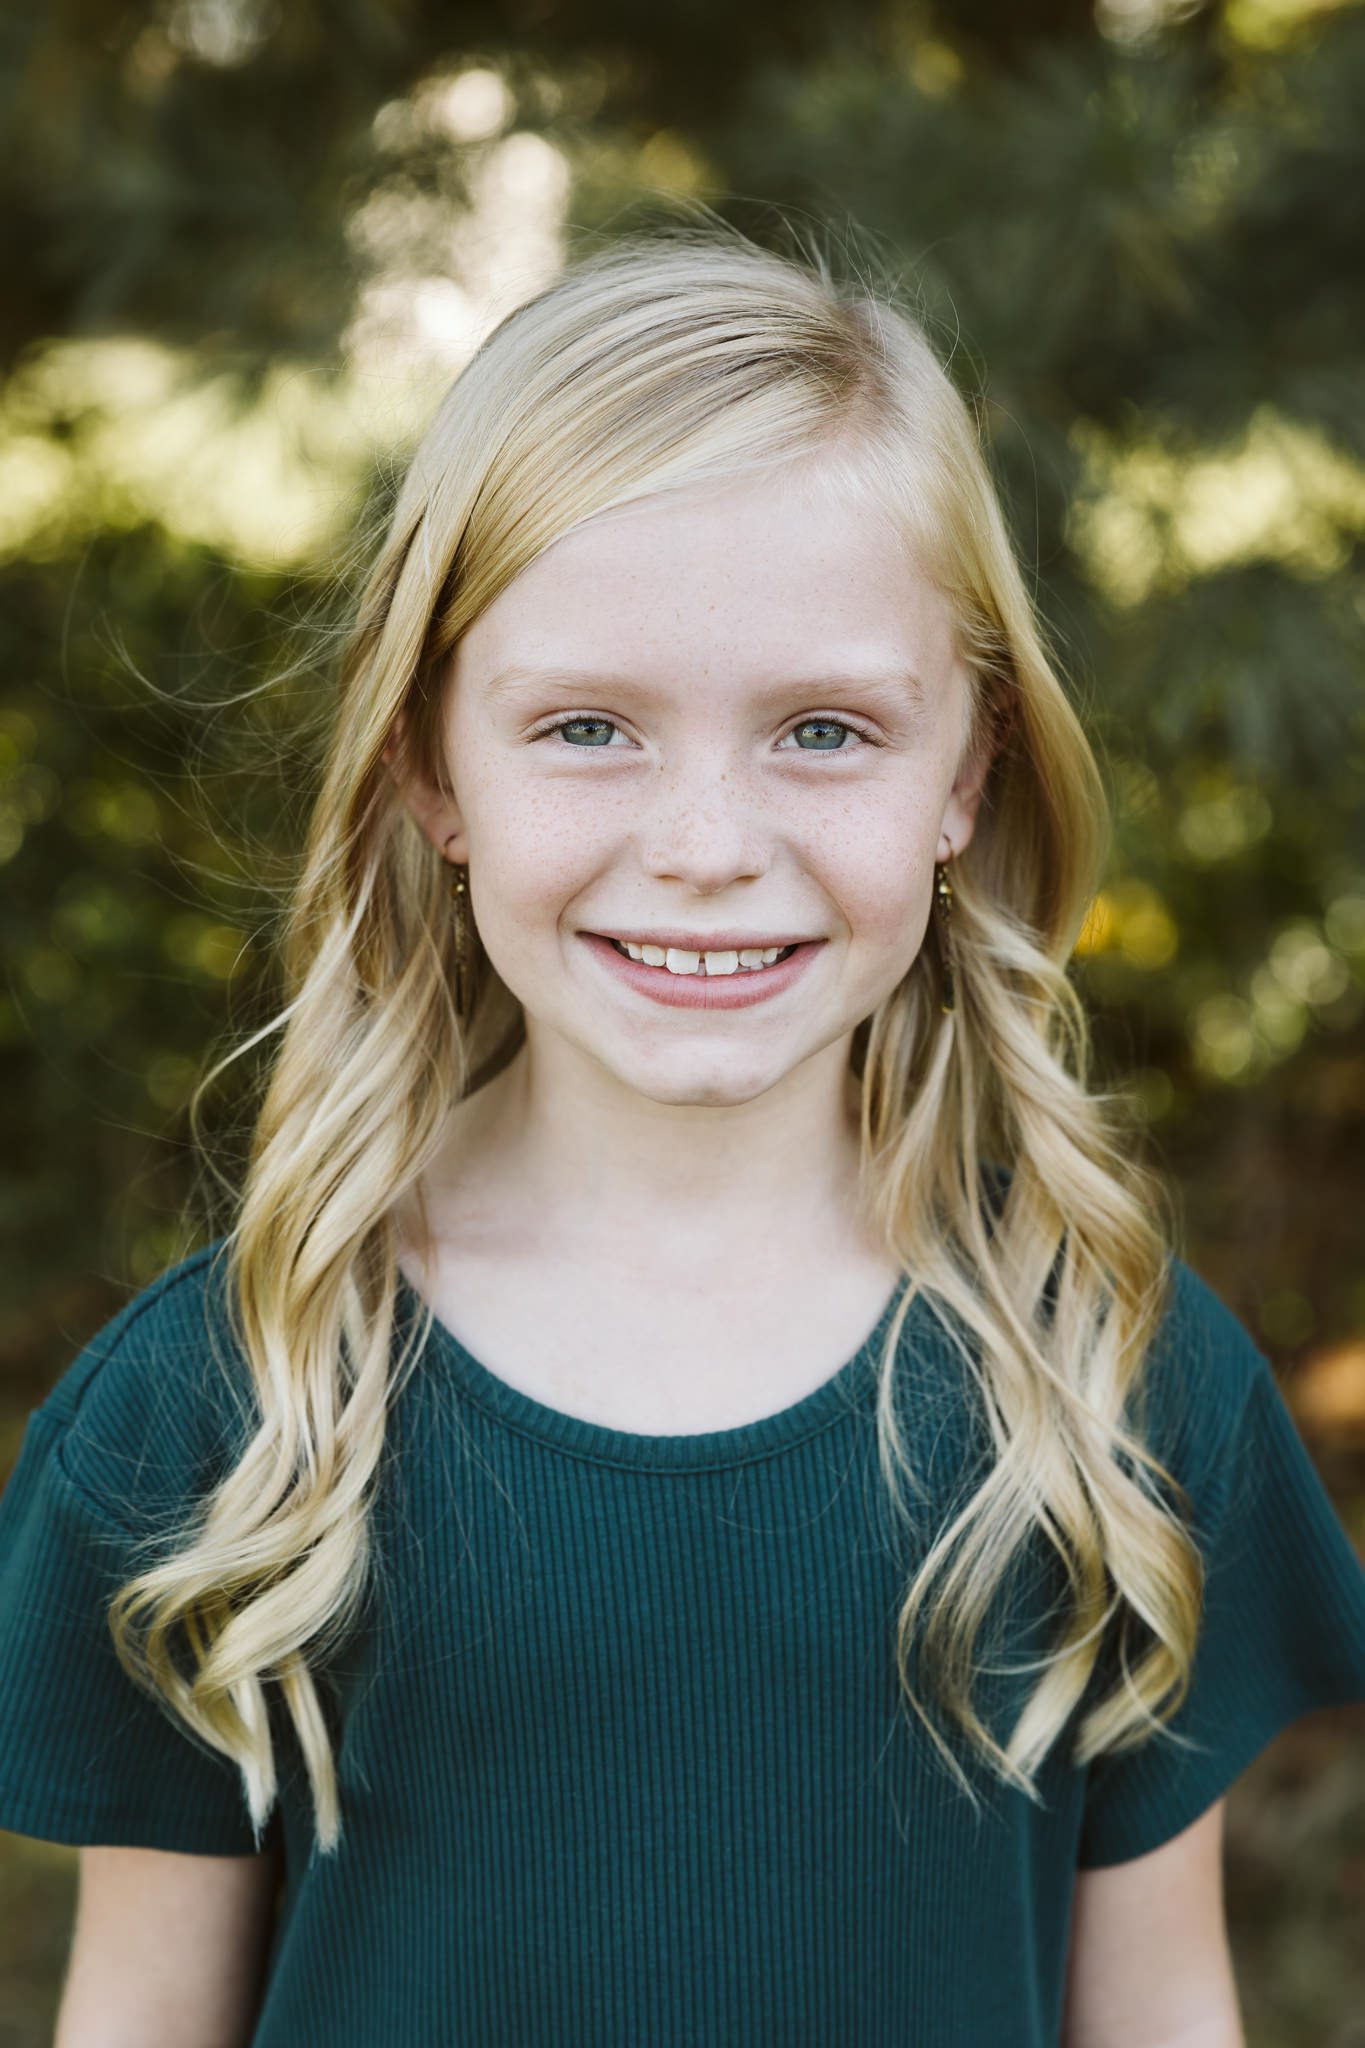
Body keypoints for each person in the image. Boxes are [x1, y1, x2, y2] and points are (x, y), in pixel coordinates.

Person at [2, 221, 1364, 2048]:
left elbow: (1164, 2013)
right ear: (429, 766)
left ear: (965, 772)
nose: (706, 844)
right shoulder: (226, 1410)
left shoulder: (1108, 1380)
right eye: (586, 727)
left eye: (823, 730)